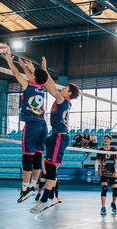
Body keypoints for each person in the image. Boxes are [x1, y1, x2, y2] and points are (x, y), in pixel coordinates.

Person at [29, 58, 80, 213]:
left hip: (59, 137)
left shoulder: (62, 99)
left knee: (51, 167)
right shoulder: (62, 99)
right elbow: (50, 84)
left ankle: (45, 200)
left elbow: (48, 86)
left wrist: (38, 73)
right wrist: (44, 70)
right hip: (55, 136)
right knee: (49, 165)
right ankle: (50, 198)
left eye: (65, 88)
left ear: (68, 93)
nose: (62, 88)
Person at [5, 54, 48, 204]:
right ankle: (32, 185)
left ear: (34, 77)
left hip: (32, 125)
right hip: (43, 125)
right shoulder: (42, 87)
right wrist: (27, 67)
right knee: (37, 156)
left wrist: (9, 60)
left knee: (27, 156)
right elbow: (37, 76)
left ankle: (24, 188)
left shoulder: (28, 85)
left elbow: (15, 73)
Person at [95, 134, 117, 216]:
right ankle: (103, 208)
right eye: (104, 139)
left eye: (107, 139)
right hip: (104, 173)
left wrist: (116, 171)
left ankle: (113, 203)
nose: (105, 140)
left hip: (112, 173)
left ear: (110, 141)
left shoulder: (114, 150)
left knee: (115, 190)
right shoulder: (100, 150)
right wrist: (96, 170)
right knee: (104, 188)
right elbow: (97, 161)